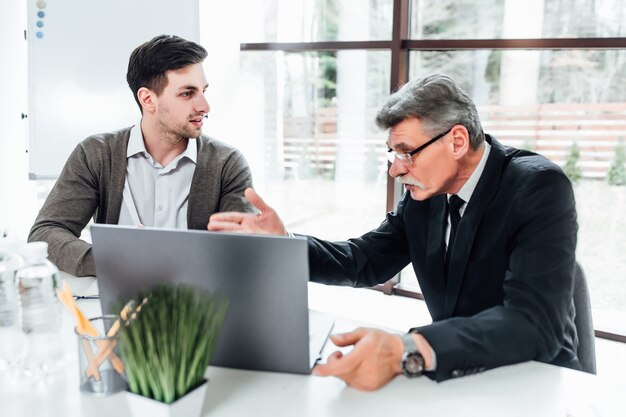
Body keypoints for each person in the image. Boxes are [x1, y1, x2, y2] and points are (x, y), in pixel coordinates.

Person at [207, 74, 579, 390]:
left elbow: (534, 323)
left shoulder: (537, 187)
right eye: (392, 154)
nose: (396, 170)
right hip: (457, 374)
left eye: (407, 152)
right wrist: (283, 247)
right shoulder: (426, 195)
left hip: (535, 379)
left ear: (457, 141)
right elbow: (363, 260)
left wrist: (408, 348)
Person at [29, 35, 254, 277]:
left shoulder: (227, 164)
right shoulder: (96, 154)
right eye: (188, 94)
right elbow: (46, 232)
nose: (204, 106)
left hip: (198, 305)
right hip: (118, 305)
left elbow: (239, 250)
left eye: (203, 91)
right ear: (148, 99)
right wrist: (109, 261)